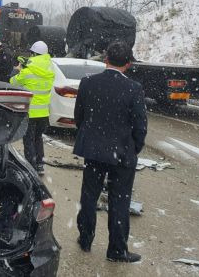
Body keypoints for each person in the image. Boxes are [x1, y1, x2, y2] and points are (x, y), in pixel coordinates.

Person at [73, 40, 147, 263]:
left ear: (105, 60)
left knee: (89, 196)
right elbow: (140, 125)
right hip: (123, 154)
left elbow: (80, 117)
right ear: (128, 64)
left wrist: (92, 138)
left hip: (94, 152)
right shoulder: (134, 89)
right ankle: (116, 250)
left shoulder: (87, 83)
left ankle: (85, 239)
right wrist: (134, 147)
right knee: (119, 201)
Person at [9, 41, 54, 175]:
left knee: (28, 140)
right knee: (38, 138)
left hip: (30, 112)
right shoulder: (50, 69)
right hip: (44, 113)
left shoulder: (27, 72)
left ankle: (30, 167)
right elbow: (38, 68)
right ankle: (40, 164)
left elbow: (12, 81)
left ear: (34, 54)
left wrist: (17, 69)